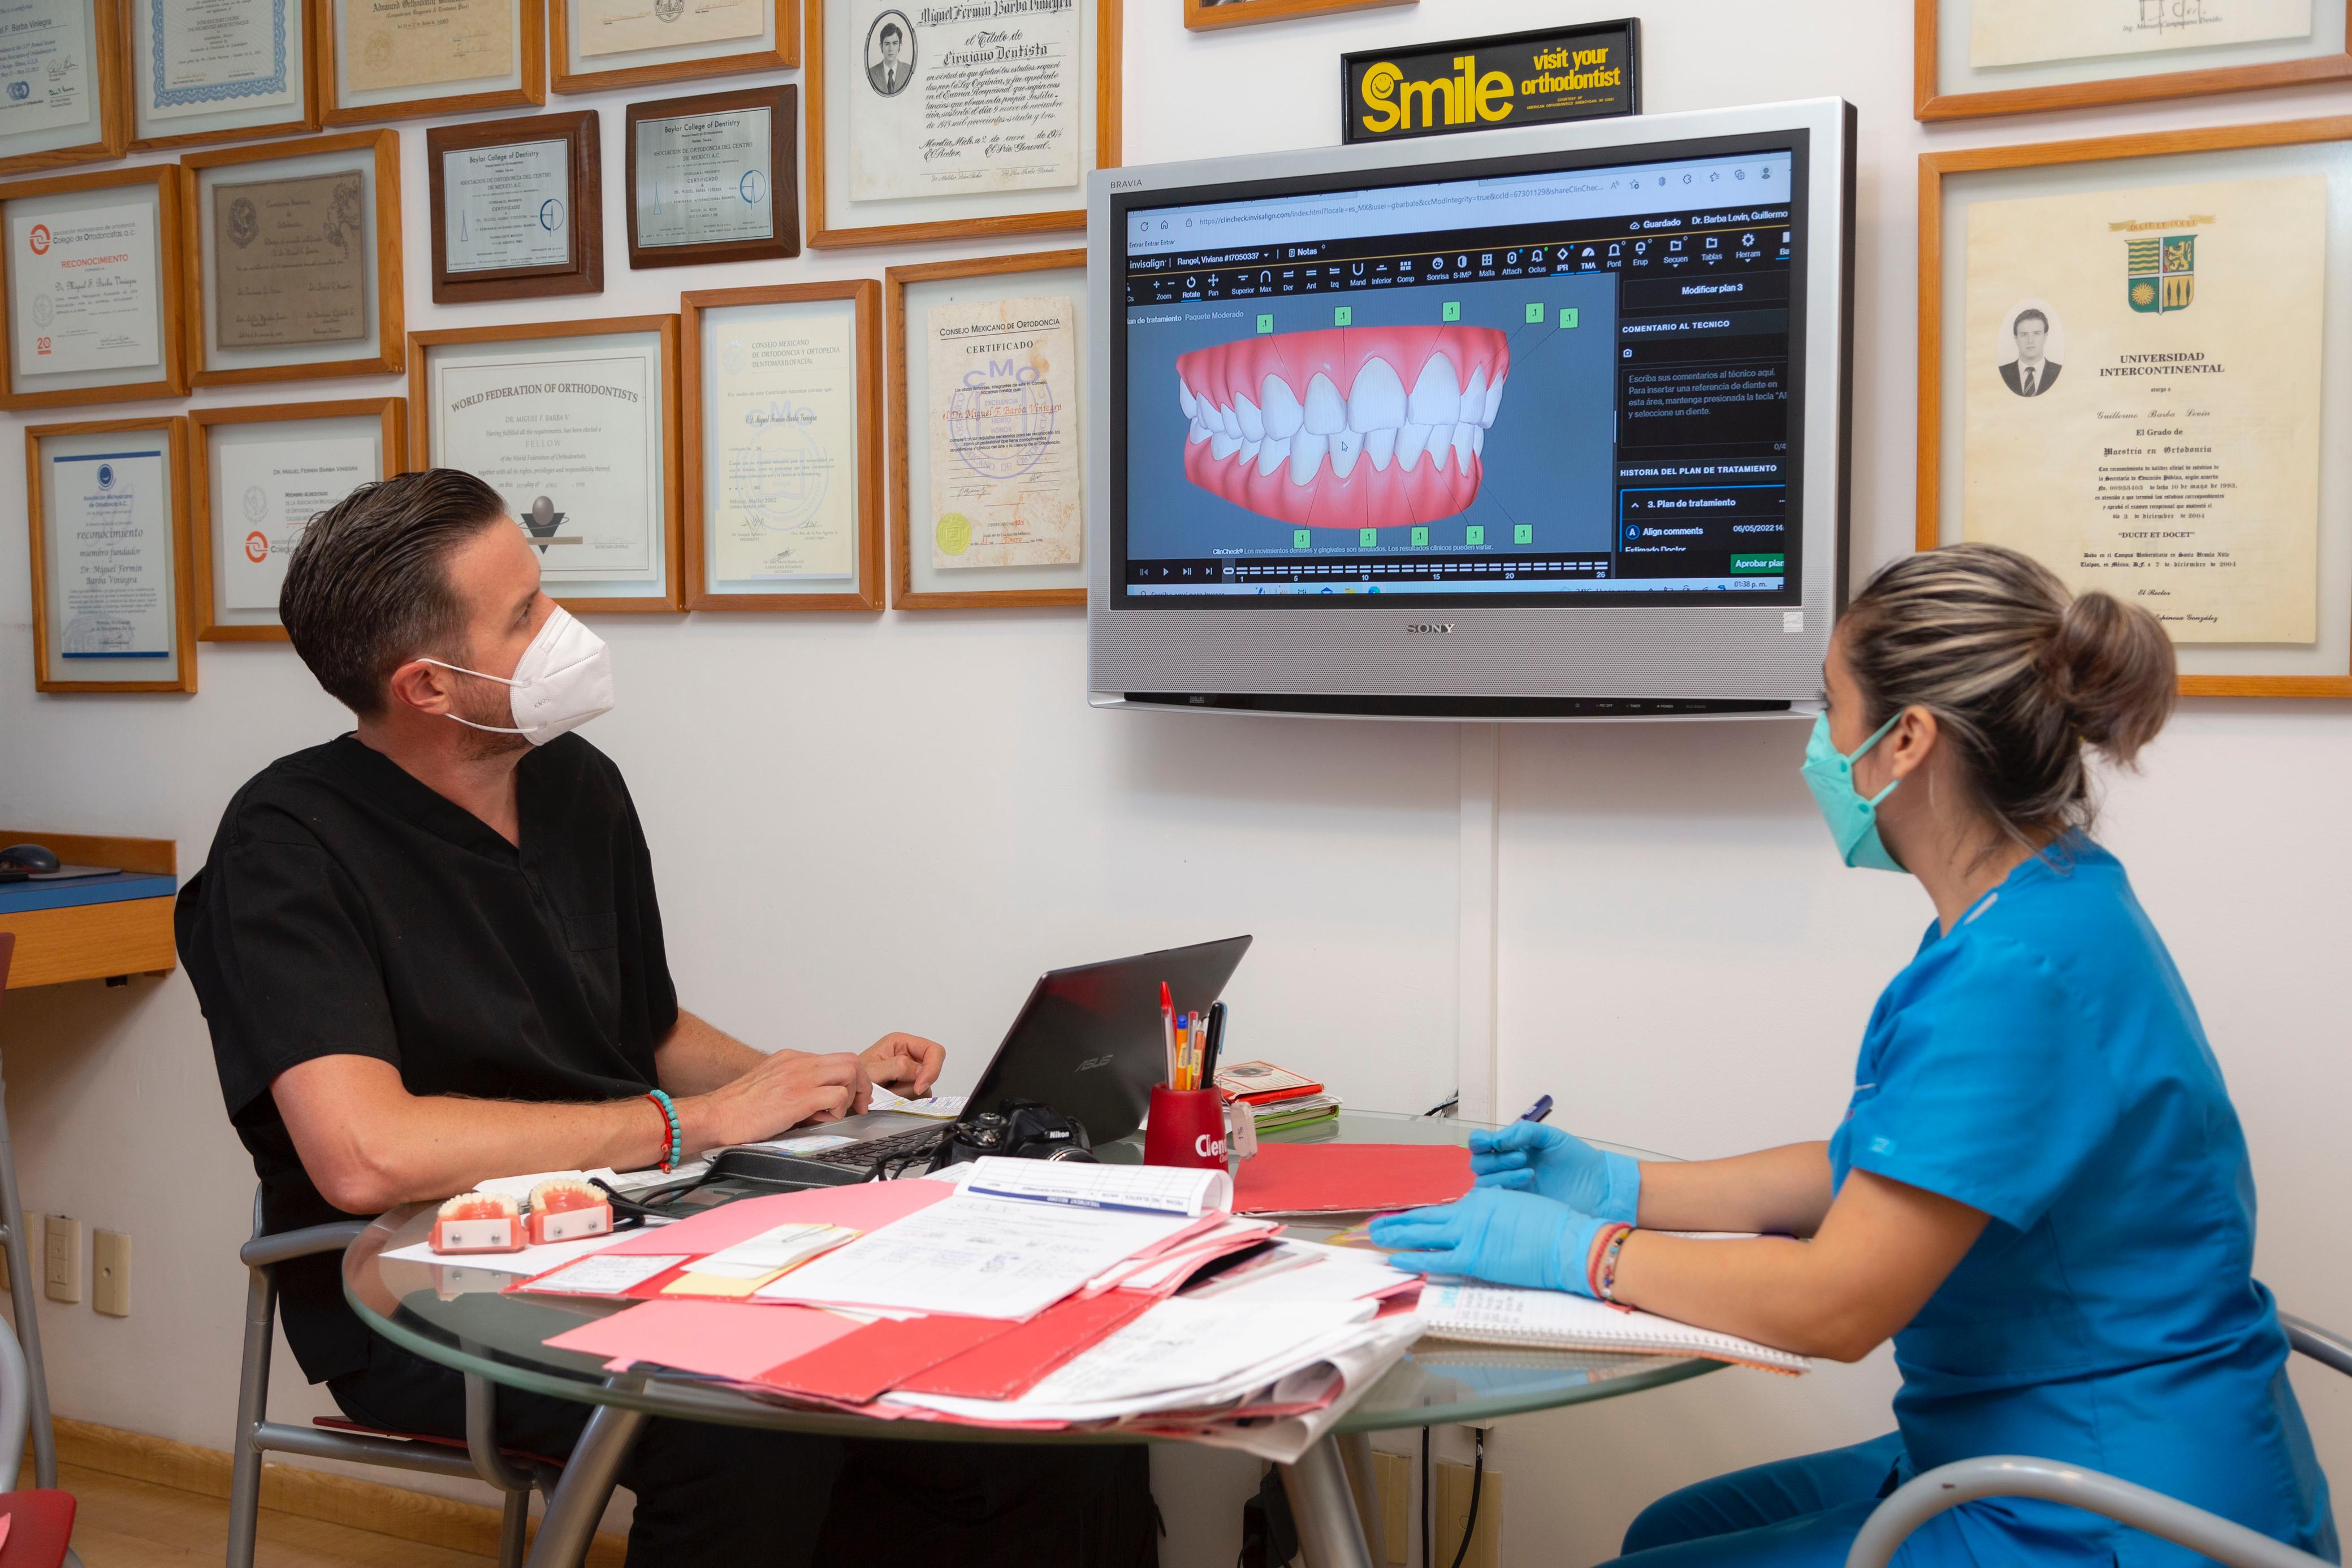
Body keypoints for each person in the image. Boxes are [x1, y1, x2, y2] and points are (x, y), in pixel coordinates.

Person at [179, 469, 1156, 1567]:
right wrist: (697, 1123)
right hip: (426, 1282)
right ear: (428, 685)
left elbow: (641, 1028)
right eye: (524, 615)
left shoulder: (573, 784)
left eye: (544, 590)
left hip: (637, 1225)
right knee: (749, 1420)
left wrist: (814, 1083)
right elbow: (367, 1154)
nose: (565, 628)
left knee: (1009, 1377)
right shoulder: (287, 847)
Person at [1372, 543, 2336, 1567]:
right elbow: (1888, 1174)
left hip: (2109, 1508)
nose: (1822, 742)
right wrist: (1619, 1184)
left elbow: (1837, 1303)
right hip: (2053, 1439)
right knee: (1668, 1533)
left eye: (1833, 704)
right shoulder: (2050, 898)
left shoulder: (2013, 973)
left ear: (1907, 737)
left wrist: (1585, 1252)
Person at [1999, 307, 2061, 396]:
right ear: (2016, 339)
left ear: (2045, 336)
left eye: (2037, 334)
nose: (2030, 341)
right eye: (2024, 335)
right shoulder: (2002, 372)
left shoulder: (2059, 372)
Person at [868, 21, 911, 94]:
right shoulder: (871, 73)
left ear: (900, 45)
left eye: (895, 44)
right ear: (881, 46)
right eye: (887, 44)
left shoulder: (909, 71)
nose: (891, 49)